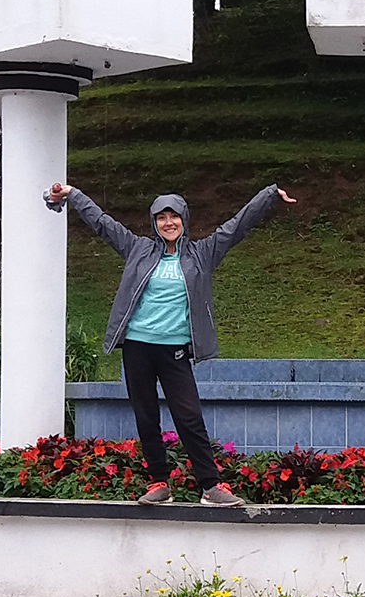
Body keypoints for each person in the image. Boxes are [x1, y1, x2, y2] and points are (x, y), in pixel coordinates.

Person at [46, 180, 295, 505]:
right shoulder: (138, 248)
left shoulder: (202, 253)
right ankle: (159, 484)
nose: (168, 223)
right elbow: (103, 223)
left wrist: (269, 195)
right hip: (137, 347)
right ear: (154, 223)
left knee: (189, 418)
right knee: (146, 417)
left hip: (174, 351)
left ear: (183, 219)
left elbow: (238, 226)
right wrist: (72, 194)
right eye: (161, 217)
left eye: (173, 216)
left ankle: (210, 487)